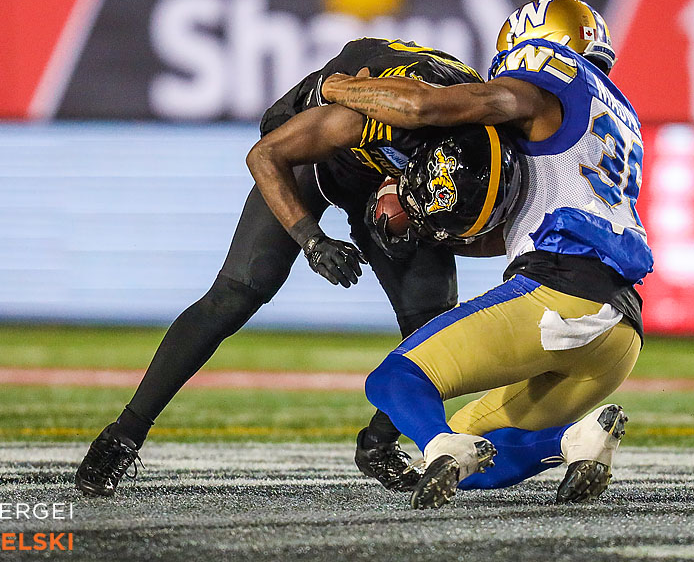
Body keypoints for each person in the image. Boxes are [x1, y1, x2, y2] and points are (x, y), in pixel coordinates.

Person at [74, 38, 499, 497]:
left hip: (393, 162)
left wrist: (430, 223)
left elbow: (489, 232)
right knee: (236, 293)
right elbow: (265, 155)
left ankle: (377, 446)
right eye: (418, 204)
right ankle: (123, 435)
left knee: (436, 332)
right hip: (320, 152)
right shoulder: (368, 118)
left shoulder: (491, 151)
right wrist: (311, 242)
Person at [321, 0, 654, 508]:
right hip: (621, 330)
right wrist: (436, 230)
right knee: (471, 458)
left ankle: (437, 441)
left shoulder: (547, 82)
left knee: (396, 380)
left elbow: (422, 106)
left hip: (557, 293)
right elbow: (519, 224)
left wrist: (339, 87)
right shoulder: (620, 114)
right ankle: (574, 442)